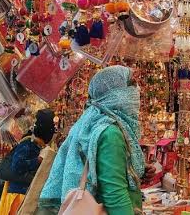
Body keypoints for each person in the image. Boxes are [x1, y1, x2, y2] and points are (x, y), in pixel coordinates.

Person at [38, 66, 147, 215]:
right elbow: (114, 195)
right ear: (116, 94)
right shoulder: (110, 133)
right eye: (132, 86)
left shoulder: (91, 121)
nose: (137, 91)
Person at [0, 109, 56, 215]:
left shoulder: (39, 146)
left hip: (28, 196)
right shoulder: (28, 144)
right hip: (18, 196)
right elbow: (17, 166)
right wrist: (38, 160)